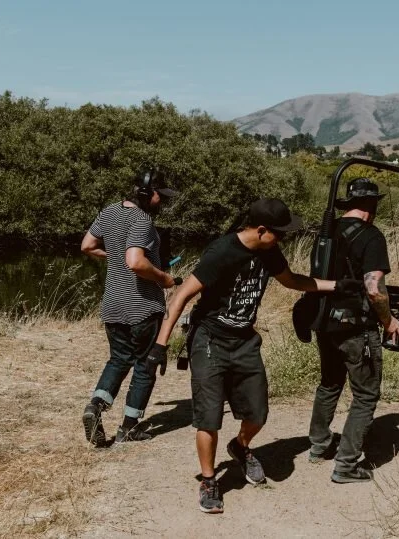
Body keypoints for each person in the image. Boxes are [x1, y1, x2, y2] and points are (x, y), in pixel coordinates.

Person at [148, 197, 361, 514]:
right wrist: (160, 346)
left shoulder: (269, 251)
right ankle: (209, 480)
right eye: (280, 232)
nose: (284, 239)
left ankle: (240, 446)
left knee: (258, 413)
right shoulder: (222, 251)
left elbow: (291, 281)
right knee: (209, 418)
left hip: (245, 340)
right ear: (262, 230)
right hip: (210, 340)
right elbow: (182, 295)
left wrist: (336, 286)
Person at [307, 177, 399, 484]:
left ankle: (318, 446)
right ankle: (346, 465)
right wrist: (389, 320)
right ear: (370, 205)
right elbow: (374, 289)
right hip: (356, 327)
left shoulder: (327, 233)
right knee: (365, 394)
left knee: (329, 384)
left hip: (325, 322)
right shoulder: (371, 235)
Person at [79, 169, 180, 447]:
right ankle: (129, 428)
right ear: (150, 193)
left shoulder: (109, 212)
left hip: (112, 304)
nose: (163, 202)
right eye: (162, 196)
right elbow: (135, 262)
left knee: (118, 359)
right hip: (142, 307)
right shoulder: (142, 220)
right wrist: (165, 278)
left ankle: (96, 406)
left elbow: (87, 245)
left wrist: (113, 255)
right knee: (145, 366)